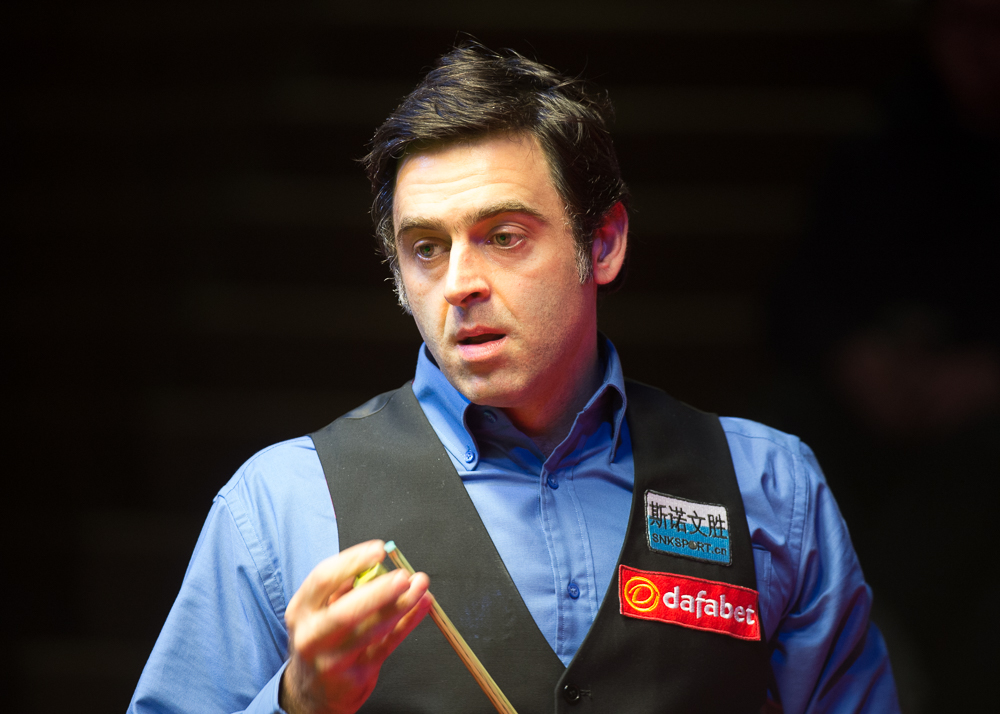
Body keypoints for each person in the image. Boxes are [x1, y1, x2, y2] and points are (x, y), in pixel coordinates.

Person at [128, 44, 900, 714]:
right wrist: (298, 702)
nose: (460, 283)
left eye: (503, 236)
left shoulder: (771, 489)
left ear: (603, 244)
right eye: (426, 248)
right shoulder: (281, 505)